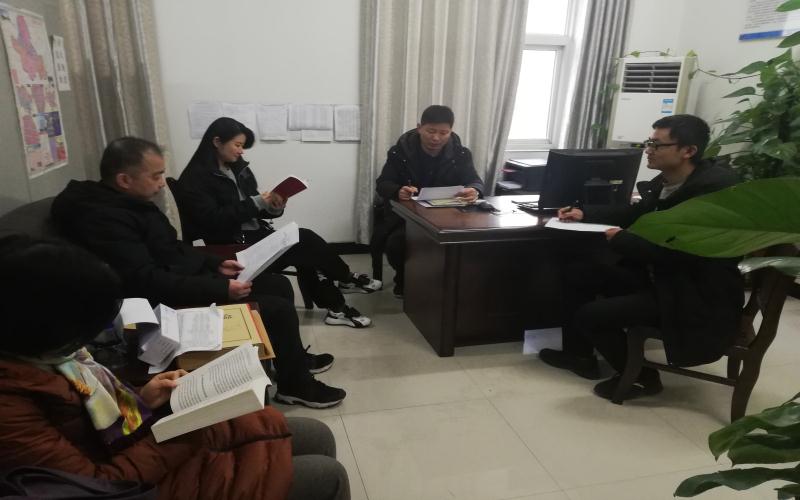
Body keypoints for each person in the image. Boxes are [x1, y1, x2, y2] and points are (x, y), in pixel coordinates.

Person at [0, 235, 350, 500]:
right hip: (143, 480)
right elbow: (99, 485)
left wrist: (141, 398)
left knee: (317, 434)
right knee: (327, 476)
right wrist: (183, 433)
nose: (85, 344)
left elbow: (92, 410)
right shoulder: (11, 408)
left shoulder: (53, 358)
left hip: (142, 443)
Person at [51, 136, 345, 408]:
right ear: (124, 180)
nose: (162, 184)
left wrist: (213, 264)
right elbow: (145, 279)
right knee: (277, 309)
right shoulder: (104, 219)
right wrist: (219, 288)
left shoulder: (130, 203)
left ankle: (291, 364)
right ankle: (296, 385)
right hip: (161, 305)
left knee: (277, 283)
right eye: (155, 176)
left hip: (182, 278)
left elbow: (172, 247)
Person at [538, 114, 744, 400]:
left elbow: (680, 253)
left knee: (591, 316)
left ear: (688, 151)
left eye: (657, 144)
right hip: (662, 278)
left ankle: (641, 377)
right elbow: (637, 212)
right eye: (649, 142)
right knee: (578, 272)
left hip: (690, 293)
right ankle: (579, 356)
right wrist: (585, 213)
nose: (648, 149)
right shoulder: (669, 181)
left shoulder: (711, 192)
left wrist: (623, 240)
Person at [177, 117, 380, 329]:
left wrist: (273, 206)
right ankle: (344, 283)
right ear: (217, 141)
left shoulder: (237, 168)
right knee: (305, 241)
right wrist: (256, 203)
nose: (241, 151)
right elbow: (213, 219)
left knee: (304, 246)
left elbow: (252, 209)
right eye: (237, 145)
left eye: (242, 146)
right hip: (234, 248)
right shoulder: (195, 178)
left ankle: (337, 306)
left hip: (255, 236)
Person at [375, 105, 485, 297]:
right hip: (408, 216)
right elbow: (383, 183)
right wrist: (398, 191)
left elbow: (475, 180)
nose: (436, 138)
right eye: (431, 131)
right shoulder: (399, 152)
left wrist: (474, 190)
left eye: (443, 133)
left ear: (451, 131)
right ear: (419, 127)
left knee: (471, 242)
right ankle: (404, 278)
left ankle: (450, 284)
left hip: (448, 215)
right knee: (397, 244)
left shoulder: (461, 154)